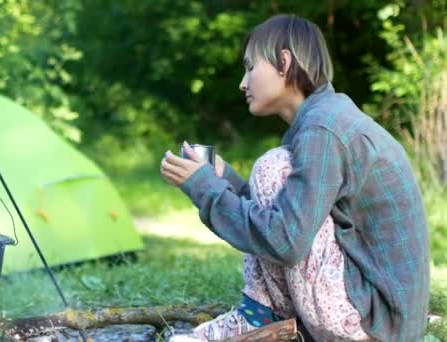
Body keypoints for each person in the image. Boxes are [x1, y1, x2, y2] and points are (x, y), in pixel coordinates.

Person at [160, 14, 430, 342]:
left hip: (374, 325)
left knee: (272, 167)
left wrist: (205, 189)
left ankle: (257, 317)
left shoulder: (323, 129)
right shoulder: (322, 118)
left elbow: (284, 241)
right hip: (380, 317)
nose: (243, 83)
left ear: (284, 62)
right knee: (273, 170)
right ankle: (256, 315)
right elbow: (286, 217)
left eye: (250, 67)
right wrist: (224, 180)